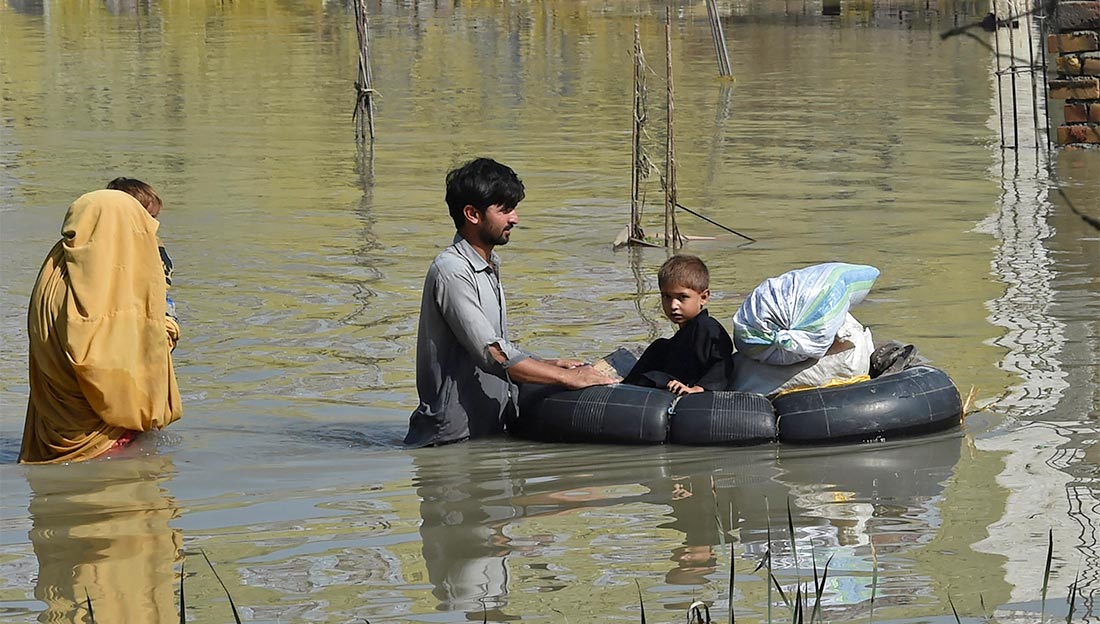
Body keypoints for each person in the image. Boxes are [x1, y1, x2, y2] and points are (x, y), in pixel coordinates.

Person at [406, 157, 615, 447]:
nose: (515, 218)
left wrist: (546, 363)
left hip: (485, 434)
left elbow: (496, 345)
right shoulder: (452, 271)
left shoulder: (489, 264)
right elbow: (492, 354)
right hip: (450, 442)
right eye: (505, 210)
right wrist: (569, 378)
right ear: (472, 214)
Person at [19, 189, 183, 464]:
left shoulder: (54, 273)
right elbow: (104, 364)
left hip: (53, 431)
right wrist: (166, 329)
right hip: (105, 441)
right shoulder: (109, 283)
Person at [622, 255, 733, 395]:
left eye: (682, 297)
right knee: (659, 346)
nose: (673, 306)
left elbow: (723, 363)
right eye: (666, 297)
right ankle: (621, 388)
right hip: (670, 385)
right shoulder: (677, 338)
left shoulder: (707, 328)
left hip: (690, 391)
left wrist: (698, 389)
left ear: (703, 297)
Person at [105, 177, 178, 323]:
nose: (154, 223)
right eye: (147, 217)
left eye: (155, 217)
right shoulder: (103, 245)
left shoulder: (153, 246)